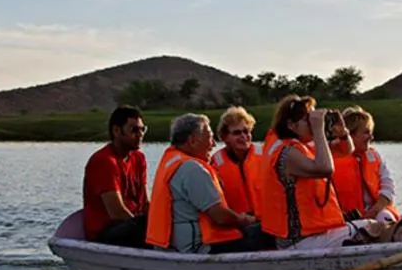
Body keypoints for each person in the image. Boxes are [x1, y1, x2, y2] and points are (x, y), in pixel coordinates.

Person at [258, 95, 400, 250]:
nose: (313, 123)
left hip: (313, 233)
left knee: (377, 225)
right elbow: (325, 168)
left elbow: (347, 149)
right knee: (374, 228)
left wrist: (343, 133)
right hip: (299, 240)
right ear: (291, 125)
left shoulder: (300, 146)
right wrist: (319, 130)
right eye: (307, 120)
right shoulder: (287, 153)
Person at [144, 113, 269, 254]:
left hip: (172, 244)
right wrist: (244, 220)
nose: (214, 144)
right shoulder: (192, 169)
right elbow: (220, 217)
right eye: (209, 138)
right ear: (192, 140)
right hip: (197, 247)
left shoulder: (171, 161)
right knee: (267, 232)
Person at [82, 105, 150, 246]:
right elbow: (117, 212)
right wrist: (145, 229)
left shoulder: (139, 158)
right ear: (117, 131)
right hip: (107, 230)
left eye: (143, 129)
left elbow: (145, 202)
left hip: (132, 223)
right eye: (134, 130)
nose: (140, 134)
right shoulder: (104, 161)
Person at [208, 106, 273, 249]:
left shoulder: (265, 156)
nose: (244, 136)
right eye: (237, 133)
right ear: (225, 137)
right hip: (237, 227)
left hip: (268, 224)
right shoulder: (215, 163)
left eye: (246, 131)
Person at [331, 106, 400, 223]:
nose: (371, 137)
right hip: (347, 218)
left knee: (384, 217)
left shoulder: (374, 156)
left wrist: (375, 211)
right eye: (366, 132)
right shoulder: (331, 158)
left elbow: (388, 187)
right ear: (351, 135)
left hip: (377, 212)